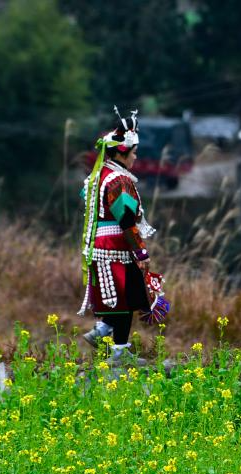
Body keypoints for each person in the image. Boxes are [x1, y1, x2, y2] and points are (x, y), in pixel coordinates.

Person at [78, 107, 157, 366]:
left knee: (122, 298)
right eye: (134, 153)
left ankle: (101, 332)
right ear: (122, 153)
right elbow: (125, 219)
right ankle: (120, 352)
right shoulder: (119, 181)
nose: (135, 158)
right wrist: (141, 252)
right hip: (117, 247)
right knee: (123, 300)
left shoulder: (99, 176)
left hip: (100, 245)